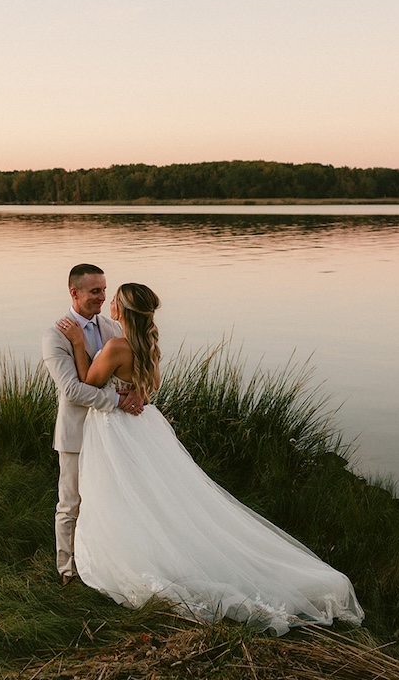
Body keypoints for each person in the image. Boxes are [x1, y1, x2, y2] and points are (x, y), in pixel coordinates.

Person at [55, 282, 365, 634]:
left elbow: (87, 381)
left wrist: (78, 343)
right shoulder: (147, 348)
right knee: (152, 496)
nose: (108, 301)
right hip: (143, 427)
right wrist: (133, 392)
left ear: (121, 310)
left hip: (116, 431)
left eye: (112, 298)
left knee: (120, 496)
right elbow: (150, 386)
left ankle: (133, 556)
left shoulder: (116, 346)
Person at [41, 264, 146, 586]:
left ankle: (105, 564)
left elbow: (131, 368)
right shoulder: (55, 335)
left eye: (104, 290)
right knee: (70, 503)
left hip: (113, 433)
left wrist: (137, 393)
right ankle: (67, 570)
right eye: (94, 291)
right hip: (77, 433)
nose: (102, 297)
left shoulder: (113, 327)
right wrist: (117, 401)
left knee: (112, 500)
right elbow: (72, 390)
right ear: (74, 292)